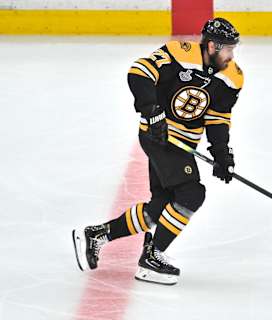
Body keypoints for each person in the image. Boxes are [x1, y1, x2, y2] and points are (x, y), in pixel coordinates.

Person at [72, 17, 243, 285]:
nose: (232, 55)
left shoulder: (232, 77)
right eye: (228, 49)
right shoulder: (179, 53)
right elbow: (139, 72)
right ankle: (153, 256)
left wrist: (222, 154)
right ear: (212, 46)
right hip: (159, 136)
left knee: (160, 207)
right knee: (191, 193)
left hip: (184, 145)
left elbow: (218, 118)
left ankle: (98, 234)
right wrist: (151, 109)